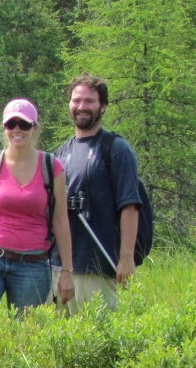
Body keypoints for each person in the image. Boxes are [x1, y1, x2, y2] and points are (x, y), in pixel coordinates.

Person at [0, 99, 75, 313]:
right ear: (4, 128)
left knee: (24, 336)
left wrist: (66, 271)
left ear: (34, 128)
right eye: (11, 124)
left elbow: (60, 220)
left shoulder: (52, 167)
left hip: (33, 264)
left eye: (24, 124)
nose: (17, 129)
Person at [54, 75, 142, 311]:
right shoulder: (60, 153)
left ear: (103, 106)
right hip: (59, 269)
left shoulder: (115, 149)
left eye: (90, 101)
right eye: (77, 100)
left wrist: (126, 257)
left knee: (97, 339)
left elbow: (130, 205)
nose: (82, 107)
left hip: (97, 267)